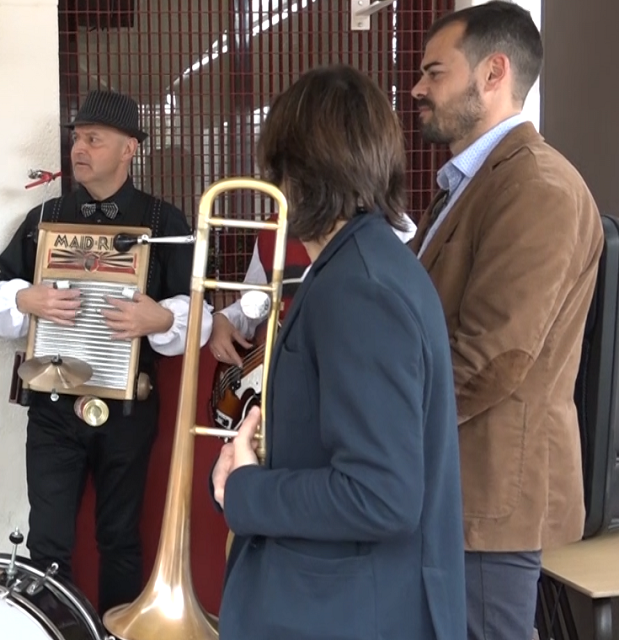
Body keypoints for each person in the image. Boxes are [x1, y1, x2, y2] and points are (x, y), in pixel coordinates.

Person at [211, 65, 466, 640]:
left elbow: (380, 494)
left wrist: (246, 490)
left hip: (350, 612)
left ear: (296, 173)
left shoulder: (360, 287)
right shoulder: (363, 266)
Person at [410, 4, 603, 639]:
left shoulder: (535, 186)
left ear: (493, 73)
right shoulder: (470, 183)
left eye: (435, 72)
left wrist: (385, 419)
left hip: (491, 500)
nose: (418, 88)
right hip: (457, 489)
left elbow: (494, 357)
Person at [0, 89, 212, 615]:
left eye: (93, 139)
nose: (78, 149)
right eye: (76, 139)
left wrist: (161, 319)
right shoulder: (46, 216)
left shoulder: (165, 222)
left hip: (128, 407)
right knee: (47, 542)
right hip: (51, 407)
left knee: (120, 537)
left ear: (130, 149)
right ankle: (54, 627)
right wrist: (25, 298)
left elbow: (200, 312)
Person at [209, 212, 417, 366]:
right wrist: (226, 318)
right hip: (286, 385)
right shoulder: (274, 230)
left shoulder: (395, 228)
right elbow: (257, 302)